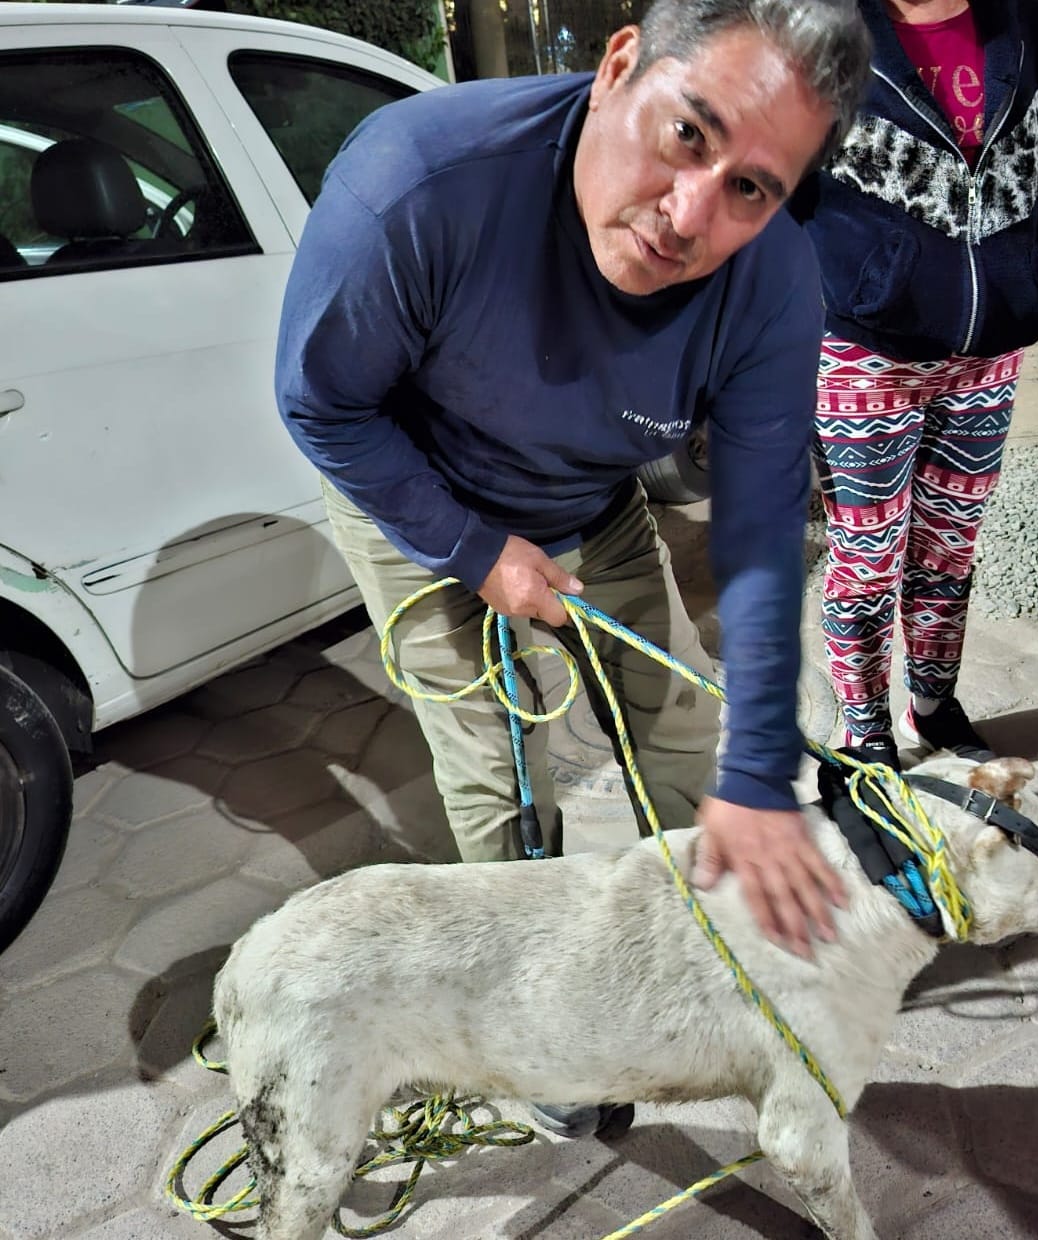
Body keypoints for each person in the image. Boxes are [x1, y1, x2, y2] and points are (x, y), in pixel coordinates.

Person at [274, 0, 871, 1130]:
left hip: (592, 495)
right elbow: (322, 405)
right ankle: (533, 1039)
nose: (691, 215)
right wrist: (473, 551)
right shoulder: (418, 184)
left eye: (752, 187)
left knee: (686, 725)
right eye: (688, 133)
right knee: (501, 774)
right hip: (421, 486)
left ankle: (701, 962)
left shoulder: (774, 283)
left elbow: (752, 522)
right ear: (618, 67)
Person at [803, 0, 1038, 769]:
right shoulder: (822, 25)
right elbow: (774, 181)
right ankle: (862, 728)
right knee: (866, 558)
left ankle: (931, 704)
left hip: (989, 353)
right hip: (868, 354)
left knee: (949, 550)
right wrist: (846, 286)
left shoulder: (1020, 19)